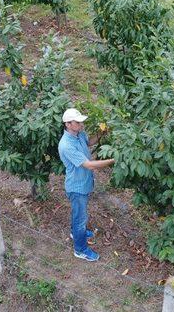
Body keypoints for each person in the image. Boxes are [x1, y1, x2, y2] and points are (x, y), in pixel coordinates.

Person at [58, 108, 115, 262]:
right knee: (80, 219)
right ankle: (80, 249)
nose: (81, 124)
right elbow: (89, 165)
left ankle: (75, 232)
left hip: (84, 183)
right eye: (78, 122)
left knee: (78, 215)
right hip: (77, 188)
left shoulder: (79, 134)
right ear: (68, 124)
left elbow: (89, 142)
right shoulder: (66, 145)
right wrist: (113, 160)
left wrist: (102, 133)